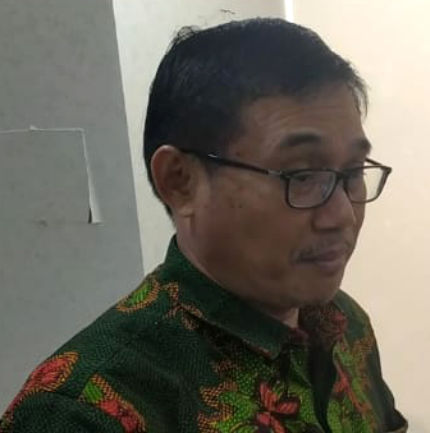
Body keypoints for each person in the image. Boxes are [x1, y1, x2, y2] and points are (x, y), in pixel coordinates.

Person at [0, 18, 407, 433]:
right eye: (302, 175)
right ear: (180, 181)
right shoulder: (82, 411)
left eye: (353, 172)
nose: (342, 214)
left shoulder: (344, 325)